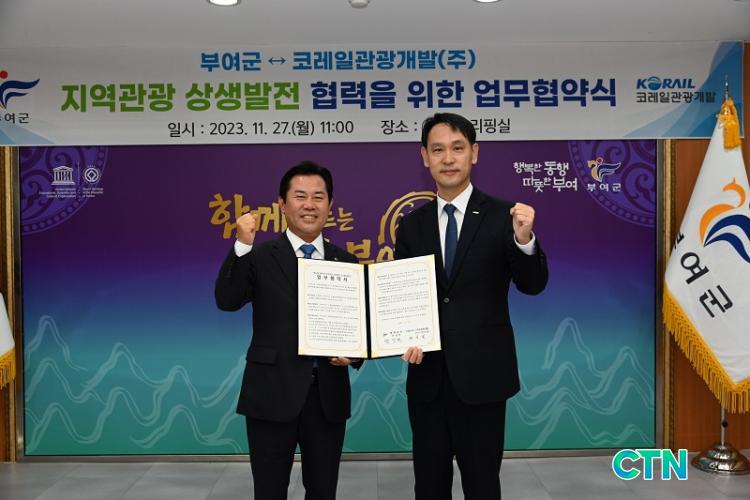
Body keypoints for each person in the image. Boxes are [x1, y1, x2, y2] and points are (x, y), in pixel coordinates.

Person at [396, 113, 548, 499]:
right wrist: (402, 335)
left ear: (474, 153)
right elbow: (404, 299)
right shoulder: (411, 226)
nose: (448, 158)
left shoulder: (505, 217)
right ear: (425, 157)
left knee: (482, 485)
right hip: (428, 378)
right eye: (438, 150)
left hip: (484, 378)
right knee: (429, 486)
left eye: (457, 148)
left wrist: (525, 240)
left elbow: (532, 285)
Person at [215, 161, 361, 500]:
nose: (309, 205)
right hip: (270, 392)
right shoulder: (259, 256)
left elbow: (358, 327)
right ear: (282, 203)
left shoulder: (346, 262)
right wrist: (242, 244)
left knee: (323, 491)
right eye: (300, 196)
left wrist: (355, 354)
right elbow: (227, 300)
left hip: (327, 397)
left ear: (330, 205)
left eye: (318, 197)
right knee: (269, 491)